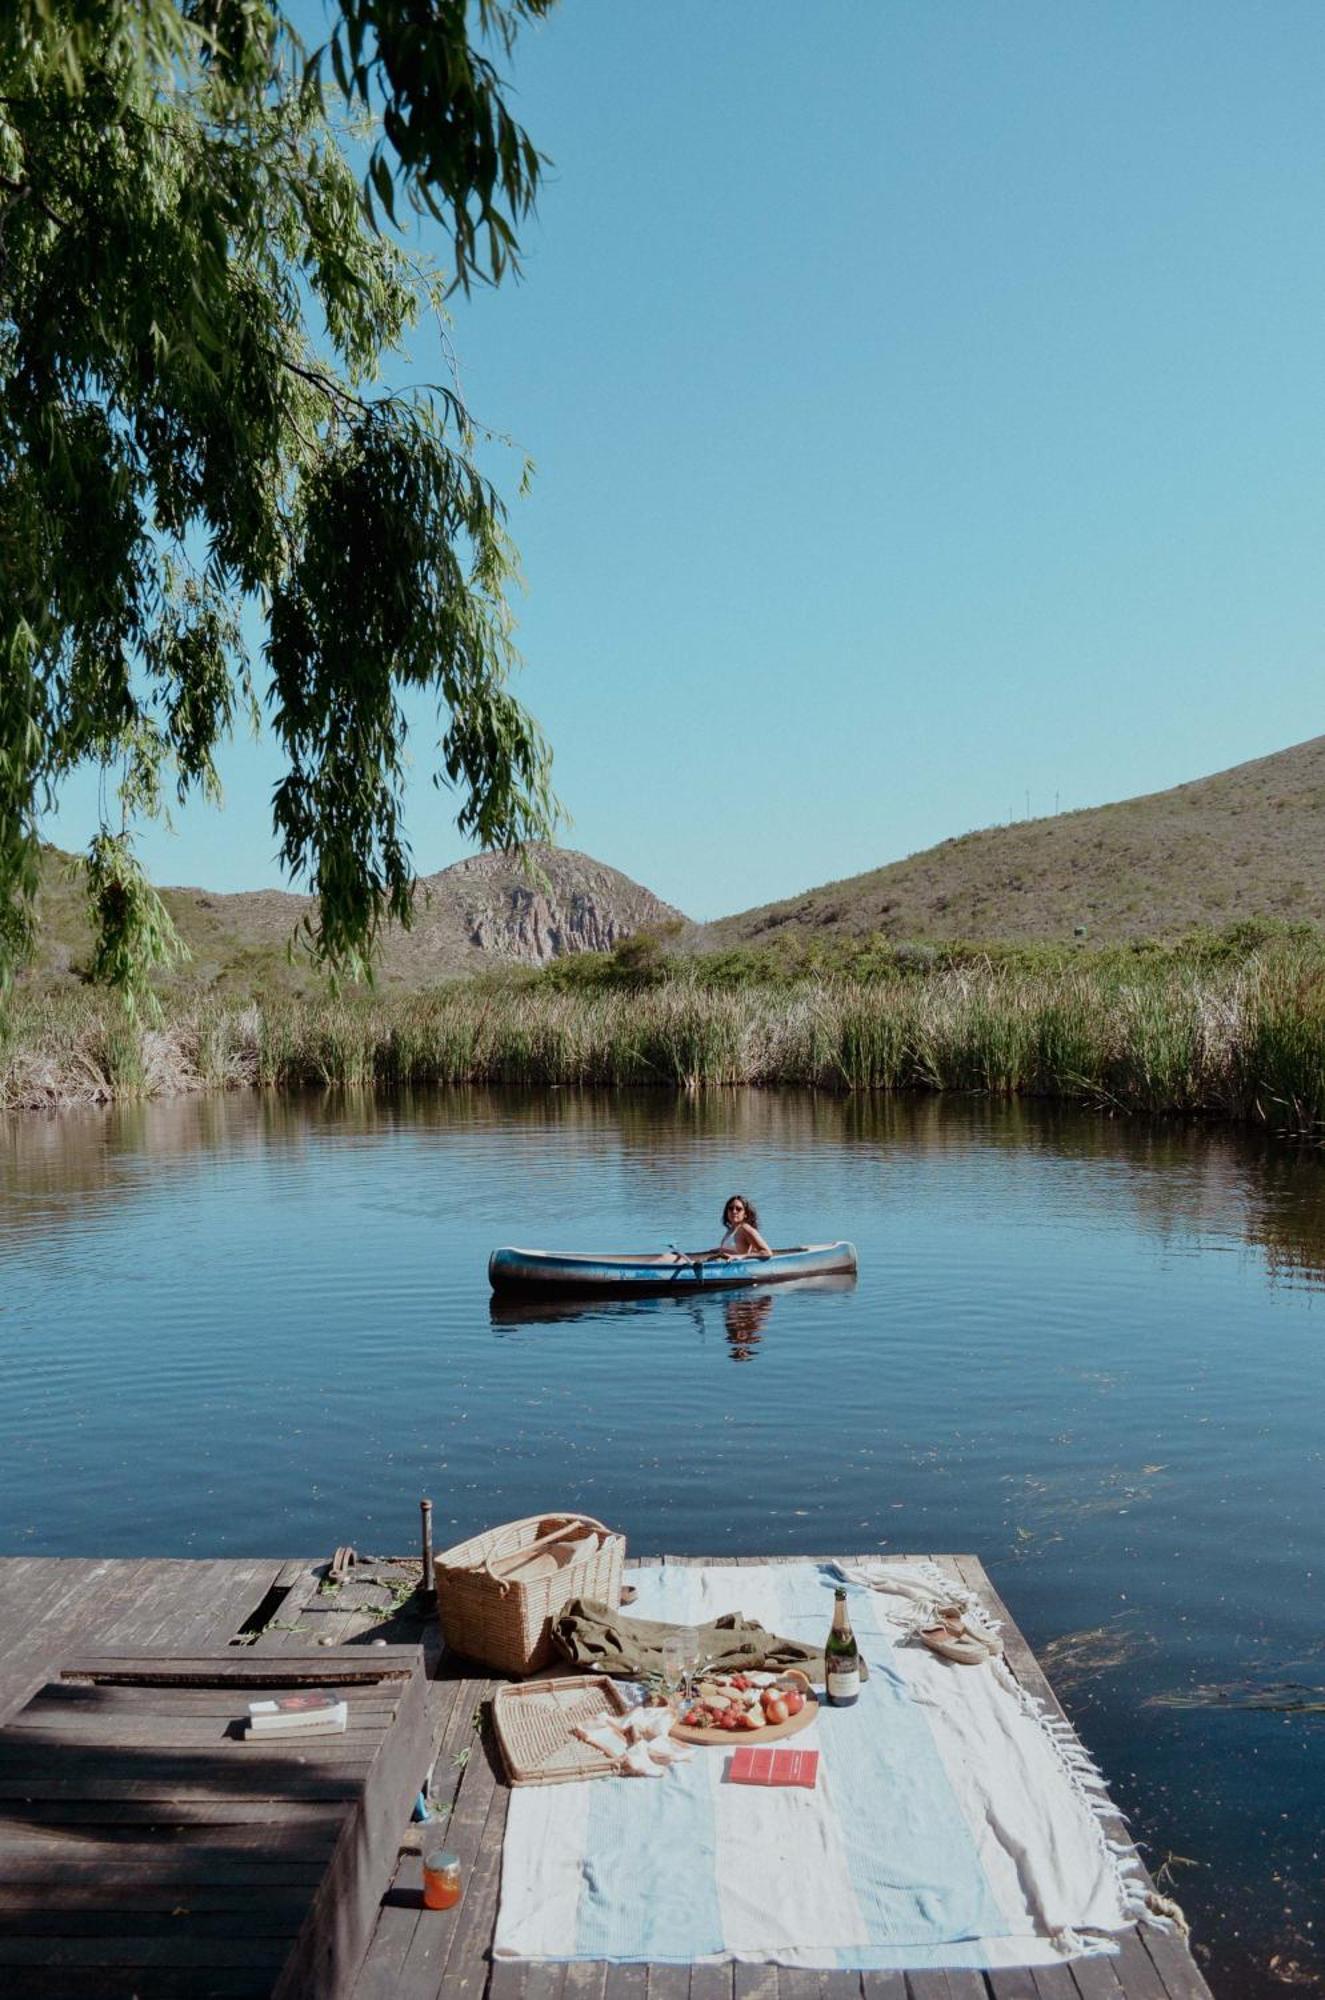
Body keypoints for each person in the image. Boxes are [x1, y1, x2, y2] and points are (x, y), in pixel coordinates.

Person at [709, 1194, 772, 1260]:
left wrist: (741, 1256)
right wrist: (721, 1250)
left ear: (745, 1214)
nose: (734, 1211)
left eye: (738, 1209)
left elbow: (767, 1253)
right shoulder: (731, 1230)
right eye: (730, 1208)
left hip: (741, 1268)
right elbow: (734, 1250)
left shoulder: (746, 1229)